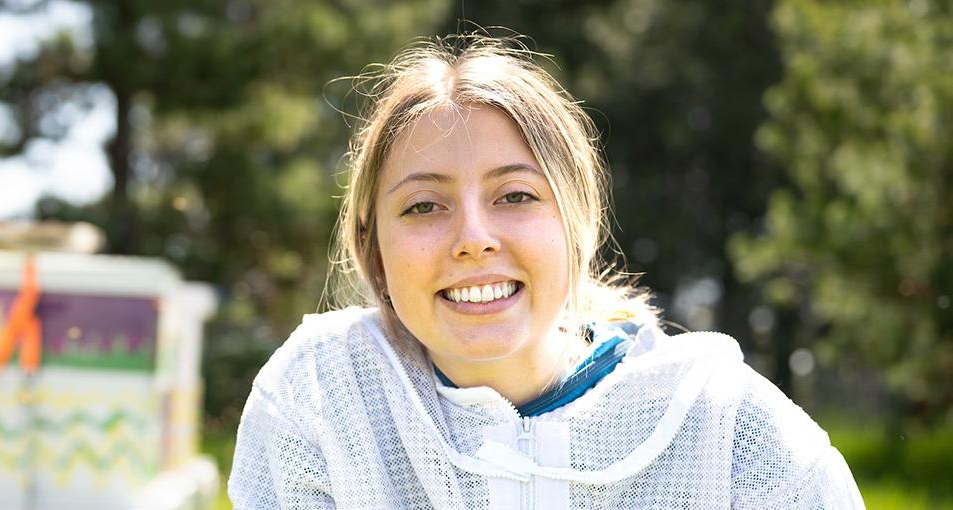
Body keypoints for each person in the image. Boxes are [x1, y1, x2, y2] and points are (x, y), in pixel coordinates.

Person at [228, 35, 864, 509]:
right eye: (424, 206)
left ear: (577, 224)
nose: (473, 239)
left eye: (516, 196)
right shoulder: (320, 400)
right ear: (374, 251)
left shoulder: (723, 428)